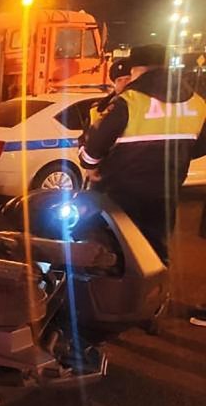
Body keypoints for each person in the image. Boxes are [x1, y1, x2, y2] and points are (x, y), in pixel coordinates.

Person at [78, 43, 206, 266]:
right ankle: (153, 295)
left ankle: (114, 297)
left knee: (113, 250)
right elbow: (200, 146)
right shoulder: (197, 103)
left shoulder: (129, 101)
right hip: (165, 193)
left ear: (137, 69)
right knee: (154, 250)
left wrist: (90, 166)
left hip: (120, 193)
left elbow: (94, 146)